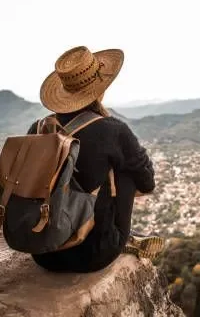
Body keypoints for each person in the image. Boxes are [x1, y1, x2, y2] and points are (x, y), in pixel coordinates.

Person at [28, 45, 165, 273]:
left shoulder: (39, 128)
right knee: (127, 171)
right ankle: (119, 236)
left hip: (41, 250)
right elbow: (147, 182)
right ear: (100, 88)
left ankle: (118, 233)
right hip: (92, 255)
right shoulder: (113, 131)